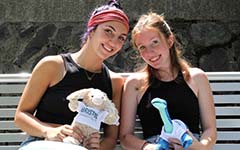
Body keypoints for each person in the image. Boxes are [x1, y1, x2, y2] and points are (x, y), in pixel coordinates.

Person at [14, 0, 129, 150]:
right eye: (108, 31)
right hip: (41, 143)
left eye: (121, 38)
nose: (113, 42)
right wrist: (49, 131)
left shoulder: (114, 82)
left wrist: (97, 146)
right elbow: (21, 116)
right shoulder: (53, 66)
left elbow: (110, 137)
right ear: (92, 30)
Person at [120, 12, 217, 150]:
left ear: (170, 40)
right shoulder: (135, 84)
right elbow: (125, 137)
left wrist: (199, 146)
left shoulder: (197, 78)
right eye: (142, 47)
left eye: (155, 42)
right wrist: (152, 148)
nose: (150, 52)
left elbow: (210, 130)